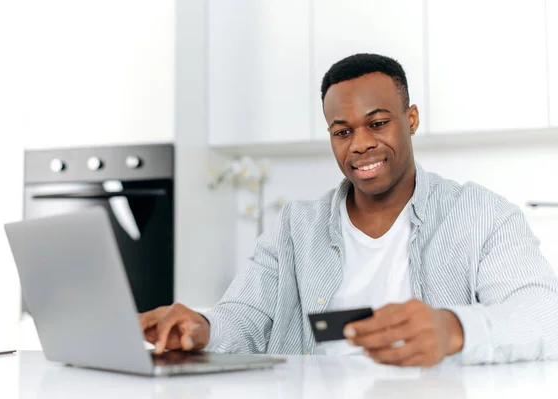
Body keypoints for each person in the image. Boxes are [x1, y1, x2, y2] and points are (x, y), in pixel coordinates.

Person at [139, 53, 558, 367]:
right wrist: (202, 328)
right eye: (342, 131)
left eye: (377, 124)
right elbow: (246, 317)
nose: (359, 144)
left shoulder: (483, 215)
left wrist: (455, 329)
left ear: (410, 119)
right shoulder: (295, 226)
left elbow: (544, 317)